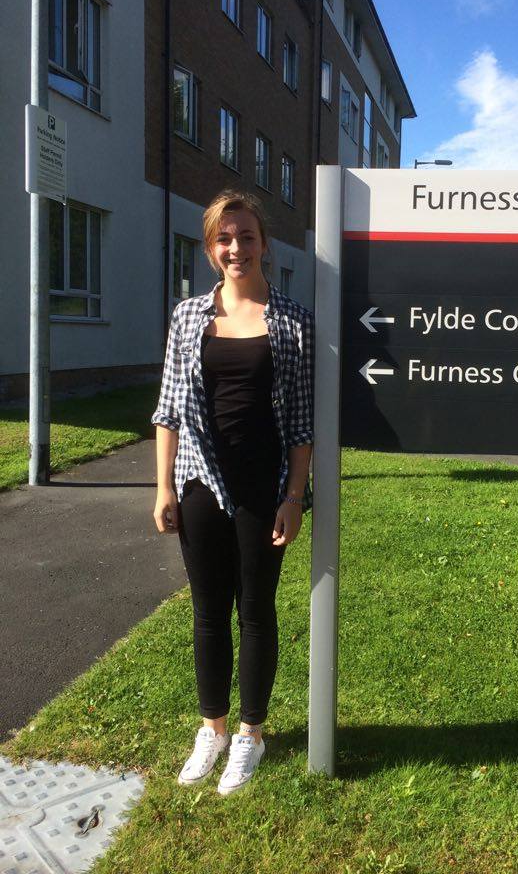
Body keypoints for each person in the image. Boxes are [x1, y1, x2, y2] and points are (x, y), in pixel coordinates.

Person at [151, 189, 313, 795]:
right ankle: (212, 729)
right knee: (209, 612)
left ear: (264, 243)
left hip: (263, 488)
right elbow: (168, 410)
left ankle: (251, 734)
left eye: (246, 236)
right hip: (199, 482)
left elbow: (302, 423)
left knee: (257, 611)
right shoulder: (188, 316)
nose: (236, 247)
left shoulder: (294, 321)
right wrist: (163, 487)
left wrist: (294, 496)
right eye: (224, 238)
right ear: (210, 249)